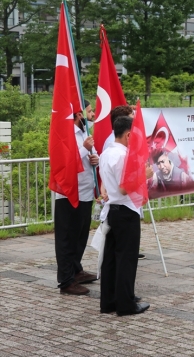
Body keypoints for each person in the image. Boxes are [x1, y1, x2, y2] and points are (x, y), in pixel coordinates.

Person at [98, 116, 150, 316]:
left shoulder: (106, 153)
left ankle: (109, 301)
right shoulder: (122, 156)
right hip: (125, 210)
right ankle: (126, 304)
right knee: (126, 259)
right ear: (128, 135)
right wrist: (143, 176)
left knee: (111, 258)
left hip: (112, 210)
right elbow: (123, 189)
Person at [54, 100, 100, 295]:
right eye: (87, 112)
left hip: (85, 191)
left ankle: (76, 269)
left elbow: (91, 155)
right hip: (68, 192)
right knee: (67, 237)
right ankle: (65, 280)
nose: (90, 115)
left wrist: (95, 158)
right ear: (78, 114)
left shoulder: (83, 132)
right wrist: (83, 148)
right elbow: (65, 162)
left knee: (81, 233)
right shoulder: (65, 135)